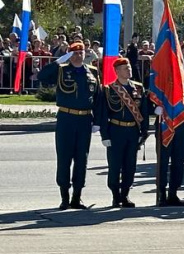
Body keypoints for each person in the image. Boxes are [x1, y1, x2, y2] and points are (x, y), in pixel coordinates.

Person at [37, 42, 100, 209]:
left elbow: (98, 99)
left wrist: (98, 121)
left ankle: (77, 197)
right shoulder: (61, 70)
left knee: (82, 159)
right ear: (70, 55)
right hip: (66, 118)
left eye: (81, 53)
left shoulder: (92, 72)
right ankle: (64, 196)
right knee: (64, 158)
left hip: (85, 120)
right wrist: (58, 61)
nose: (78, 56)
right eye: (75, 53)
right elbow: (42, 76)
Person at [96, 56, 150, 207]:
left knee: (130, 165)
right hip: (116, 130)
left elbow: (144, 112)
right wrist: (104, 135)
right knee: (115, 165)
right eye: (125, 68)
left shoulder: (138, 88)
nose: (129, 70)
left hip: (132, 131)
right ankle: (115, 195)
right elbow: (103, 114)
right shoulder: (108, 90)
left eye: (129, 68)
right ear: (117, 71)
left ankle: (125, 194)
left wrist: (144, 131)